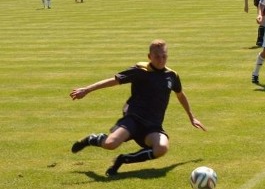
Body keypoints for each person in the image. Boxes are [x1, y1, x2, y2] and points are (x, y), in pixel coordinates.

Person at [69, 39, 206, 177]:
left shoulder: (172, 76)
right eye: (157, 56)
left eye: (164, 56)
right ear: (149, 56)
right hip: (133, 120)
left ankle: (123, 159)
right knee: (110, 144)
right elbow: (114, 80)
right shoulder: (140, 70)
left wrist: (191, 117)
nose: (161, 60)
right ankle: (91, 139)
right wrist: (87, 89)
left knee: (162, 148)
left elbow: (180, 95)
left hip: (152, 126)